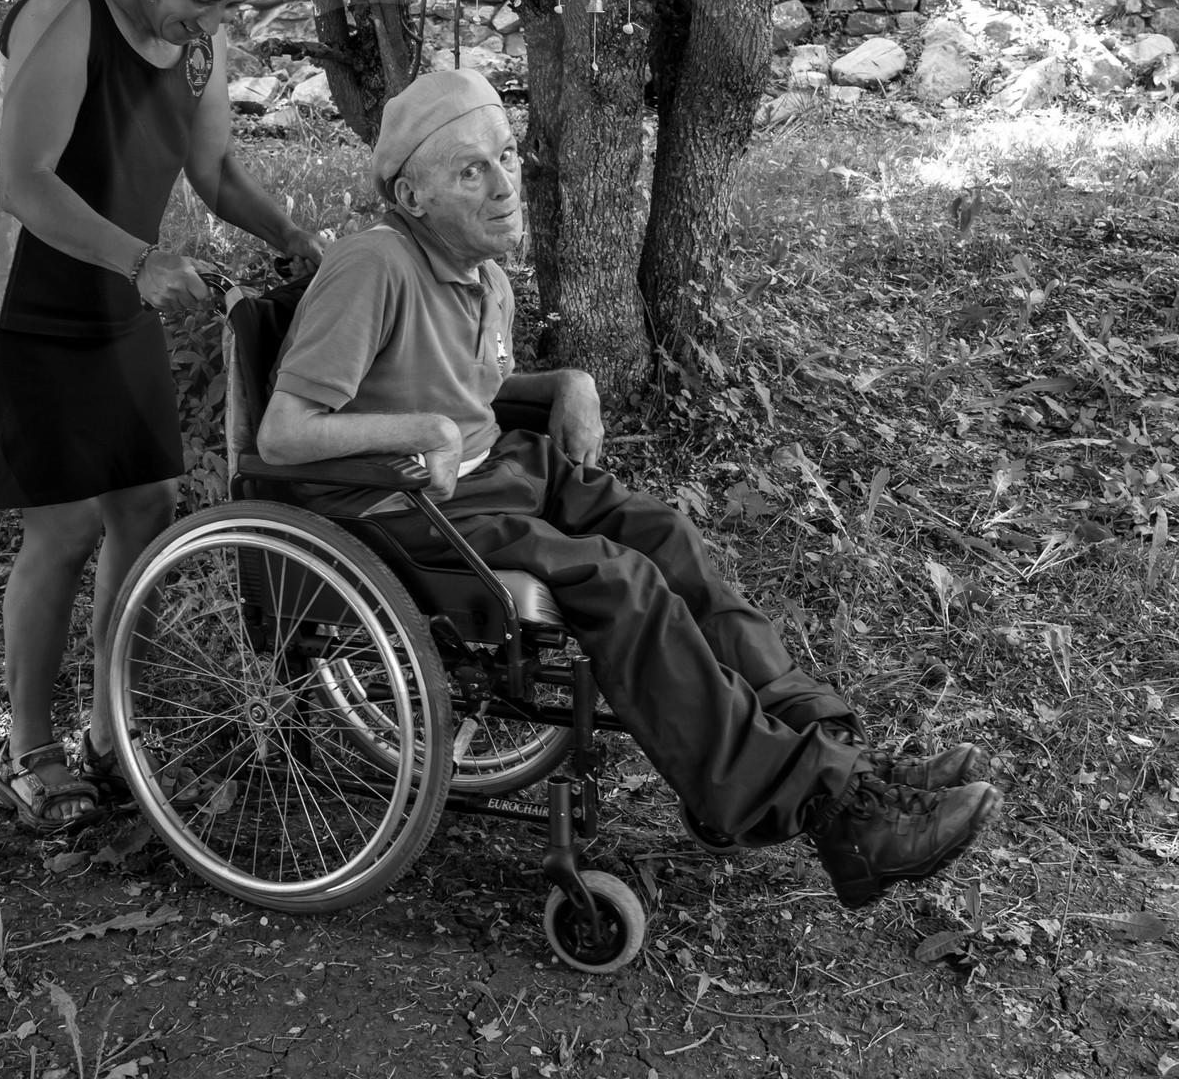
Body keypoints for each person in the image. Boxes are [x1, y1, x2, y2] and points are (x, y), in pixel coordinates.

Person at [255, 69, 999, 910]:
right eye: (470, 172)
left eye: (504, 158)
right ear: (410, 194)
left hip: (494, 478)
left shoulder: (479, 275)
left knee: (664, 535)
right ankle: (832, 811)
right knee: (620, 581)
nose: (504, 189)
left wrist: (564, 382)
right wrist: (417, 436)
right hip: (394, 510)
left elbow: (455, 390)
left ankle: (827, 747)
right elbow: (283, 433)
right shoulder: (373, 266)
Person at [0, 0, 324, 834]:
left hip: (112, 292)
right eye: (199, 0)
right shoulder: (67, 12)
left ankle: (112, 732)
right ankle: (29, 753)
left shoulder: (198, 39)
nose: (209, 26)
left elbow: (214, 170)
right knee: (61, 531)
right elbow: (22, 180)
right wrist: (142, 258)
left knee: (145, 511)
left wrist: (299, 242)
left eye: (229, 9)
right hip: (11, 302)